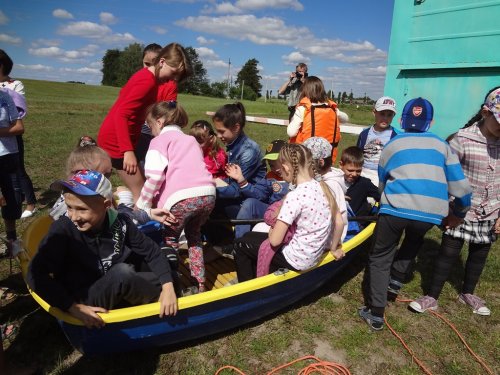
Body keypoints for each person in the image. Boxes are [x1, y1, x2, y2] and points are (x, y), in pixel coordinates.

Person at [359, 97, 472, 331]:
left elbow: (382, 180)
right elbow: (461, 188)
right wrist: (459, 212)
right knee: (415, 236)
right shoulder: (443, 146)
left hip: (395, 208)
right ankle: (396, 280)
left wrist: (384, 201)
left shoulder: (392, 144)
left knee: (380, 256)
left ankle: (376, 312)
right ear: (430, 123)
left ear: (401, 120)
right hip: (430, 213)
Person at [27, 170, 178, 329]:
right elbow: (35, 273)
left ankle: (168, 291)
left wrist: (167, 285)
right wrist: (71, 307)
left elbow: (151, 251)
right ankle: (165, 296)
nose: (74, 216)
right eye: (69, 207)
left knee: (167, 259)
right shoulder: (63, 230)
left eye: (82, 209)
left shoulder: (120, 222)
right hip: (83, 300)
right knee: (123, 273)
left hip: (110, 280)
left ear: (106, 205)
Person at [408, 87, 500, 316]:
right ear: (486, 112)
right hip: (461, 210)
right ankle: (432, 296)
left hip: (491, 211)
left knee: (480, 253)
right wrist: (450, 208)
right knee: (448, 252)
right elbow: (444, 176)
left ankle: (468, 293)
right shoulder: (463, 139)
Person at [234, 143, 345, 282]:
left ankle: (248, 289)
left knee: (240, 244)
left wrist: (272, 228)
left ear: (286, 168)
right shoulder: (323, 187)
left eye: (280, 168)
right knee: (250, 236)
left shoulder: (294, 196)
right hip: (313, 255)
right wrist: (334, 249)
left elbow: (275, 241)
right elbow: (339, 223)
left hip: (295, 259)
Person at [135, 102, 215, 293]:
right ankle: (200, 282)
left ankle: (174, 287)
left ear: (160, 122)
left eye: (150, 125)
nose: (151, 131)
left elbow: (154, 176)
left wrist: (142, 204)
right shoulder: (190, 140)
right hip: (207, 195)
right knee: (194, 237)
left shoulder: (158, 142)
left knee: (170, 239)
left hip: (181, 199)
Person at [97, 43, 192, 203]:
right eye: (174, 72)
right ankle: (133, 225)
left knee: (140, 190)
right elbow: (121, 114)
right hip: (117, 143)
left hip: (122, 139)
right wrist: (127, 151)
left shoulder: (149, 78)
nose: (173, 79)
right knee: (141, 195)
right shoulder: (147, 81)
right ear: (162, 62)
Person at [215, 139, 288, 251]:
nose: (275, 168)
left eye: (279, 162)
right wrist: (241, 180)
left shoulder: (298, 175)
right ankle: (239, 245)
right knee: (250, 203)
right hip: (271, 212)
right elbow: (258, 194)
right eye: (271, 165)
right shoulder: (270, 177)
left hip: (288, 214)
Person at [211, 102, 266, 218]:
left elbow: (236, 190)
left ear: (236, 128)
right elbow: (231, 182)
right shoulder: (234, 146)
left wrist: (208, 191)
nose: (218, 135)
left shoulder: (249, 151)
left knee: (207, 204)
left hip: (247, 204)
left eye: (221, 131)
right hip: (239, 197)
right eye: (217, 131)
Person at [0, 50, 37, 219]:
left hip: (10, 137)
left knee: (19, 171)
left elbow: (19, 110)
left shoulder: (15, 85)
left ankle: (30, 204)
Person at [136, 43, 179, 167]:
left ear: (162, 63)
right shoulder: (139, 79)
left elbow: (169, 109)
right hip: (140, 128)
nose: (149, 68)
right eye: (146, 63)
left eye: (153, 64)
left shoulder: (169, 84)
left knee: (156, 160)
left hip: (158, 127)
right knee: (140, 159)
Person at [302, 137, 348, 241]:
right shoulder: (322, 179)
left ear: (321, 162)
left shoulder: (330, 185)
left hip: (324, 240)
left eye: (304, 162)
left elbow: (337, 221)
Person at [287, 76, 341, 162]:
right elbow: (346, 118)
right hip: (327, 157)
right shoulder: (333, 109)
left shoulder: (303, 109)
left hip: (306, 157)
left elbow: (291, 133)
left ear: (304, 90)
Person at [0, 89, 24, 256]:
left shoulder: (5, 96)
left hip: (9, 155)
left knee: (12, 200)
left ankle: (12, 241)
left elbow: (19, 126)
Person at [356, 96, 398, 186]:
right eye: (382, 114)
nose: (385, 118)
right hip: (363, 174)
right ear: (374, 112)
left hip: (383, 177)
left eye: (389, 115)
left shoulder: (395, 136)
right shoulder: (364, 134)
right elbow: (357, 156)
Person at [339, 146, 380, 217]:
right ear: (341, 165)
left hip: (357, 223)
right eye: (350, 170)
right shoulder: (334, 181)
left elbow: (381, 196)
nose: (354, 174)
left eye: (358, 171)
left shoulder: (364, 183)